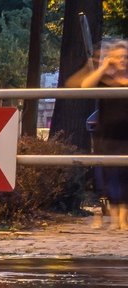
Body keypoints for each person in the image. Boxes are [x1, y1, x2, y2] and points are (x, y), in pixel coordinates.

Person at [67, 39, 128, 229]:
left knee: (125, 176)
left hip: (126, 135)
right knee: (110, 176)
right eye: (118, 57)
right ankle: (115, 217)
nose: (122, 60)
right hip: (107, 135)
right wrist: (102, 67)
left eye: (125, 57)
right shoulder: (105, 79)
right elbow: (85, 85)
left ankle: (123, 218)